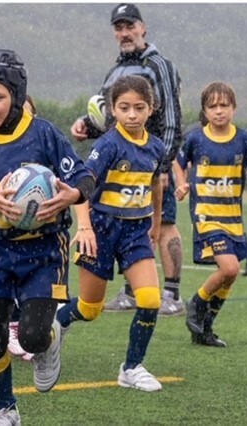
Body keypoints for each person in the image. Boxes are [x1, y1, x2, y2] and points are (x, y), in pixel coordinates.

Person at [0, 49, 94, 426]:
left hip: (45, 251)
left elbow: (84, 177)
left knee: (30, 337)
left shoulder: (43, 133)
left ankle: (49, 340)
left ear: (16, 95)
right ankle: (6, 409)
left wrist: (72, 195)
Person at [70, 3, 185, 316]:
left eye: (130, 26)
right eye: (119, 28)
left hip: (149, 161)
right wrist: (87, 125)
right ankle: (132, 291)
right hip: (118, 164)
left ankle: (171, 293)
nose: (124, 33)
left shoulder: (158, 65)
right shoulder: (116, 70)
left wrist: (164, 164)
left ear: (143, 27)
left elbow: (172, 117)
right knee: (124, 221)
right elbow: (108, 115)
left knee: (163, 224)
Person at [58, 75, 165, 392]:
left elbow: (156, 184)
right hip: (101, 230)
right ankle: (58, 321)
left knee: (150, 300)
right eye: (124, 108)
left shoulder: (156, 147)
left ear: (151, 108)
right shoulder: (107, 145)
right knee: (89, 309)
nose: (132, 114)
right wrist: (85, 227)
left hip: (136, 233)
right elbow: (83, 185)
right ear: (113, 110)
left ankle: (131, 367)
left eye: (139, 108)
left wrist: (156, 224)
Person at [173, 81, 247, 348]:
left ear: (234, 108)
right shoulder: (196, 138)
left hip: (233, 218)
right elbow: (178, 163)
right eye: (212, 106)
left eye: (224, 105)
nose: (218, 111)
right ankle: (196, 303)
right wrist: (181, 183)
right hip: (206, 215)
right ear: (205, 111)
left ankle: (205, 328)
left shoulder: (243, 138)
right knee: (230, 267)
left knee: (230, 275)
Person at [7, 93, 38, 363]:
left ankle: (29, 329)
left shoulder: (43, 145)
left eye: (28, 113)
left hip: (39, 232)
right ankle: (12, 326)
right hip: (4, 231)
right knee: (12, 279)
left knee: (35, 282)